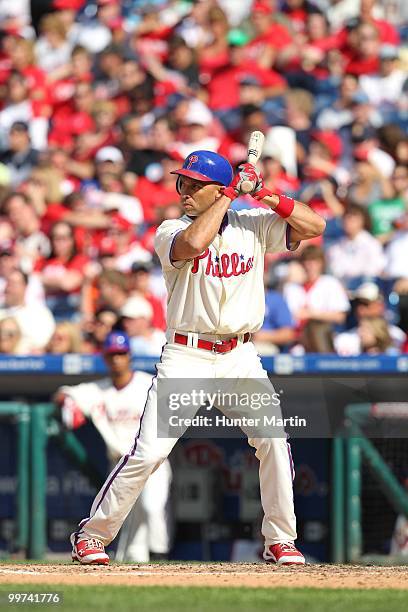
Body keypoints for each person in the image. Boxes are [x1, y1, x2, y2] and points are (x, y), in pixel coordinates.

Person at [70, 149, 325, 566]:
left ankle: (280, 539)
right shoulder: (170, 229)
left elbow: (315, 226)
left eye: (194, 184)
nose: (184, 191)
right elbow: (194, 243)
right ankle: (92, 534)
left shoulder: (253, 224)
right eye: (182, 183)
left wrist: (261, 192)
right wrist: (226, 195)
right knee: (150, 452)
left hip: (240, 355)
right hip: (187, 354)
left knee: (274, 442)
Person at [56, 331, 171, 562]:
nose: (117, 359)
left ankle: (163, 561)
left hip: (153, 463)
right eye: (112, 354)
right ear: (105, 358)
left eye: (121, 353)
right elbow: (62, 393)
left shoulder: (148, 383)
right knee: (131, 533)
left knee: (153, 509)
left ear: (129, 355)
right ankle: (146, 578)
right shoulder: (98, 390)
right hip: (120, 465)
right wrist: (69, 404)